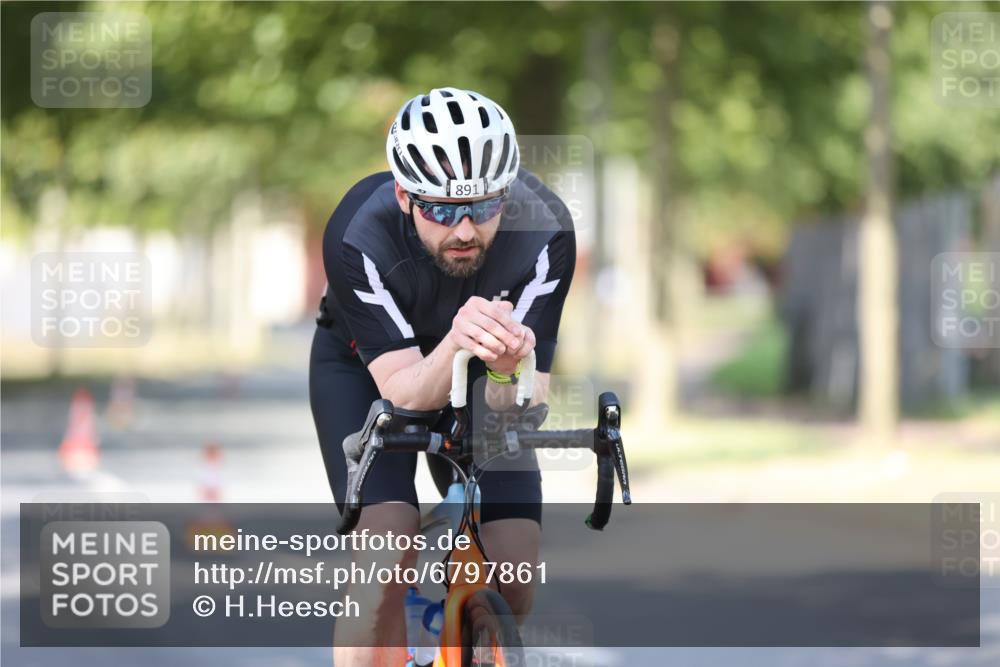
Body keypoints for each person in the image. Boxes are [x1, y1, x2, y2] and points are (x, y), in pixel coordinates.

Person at [309, 86, 576, 666]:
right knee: (387, 540)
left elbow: (526, 406)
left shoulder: (547, 233)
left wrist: (507, 374)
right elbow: (404, 392)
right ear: (404, 195)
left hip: (478, 374)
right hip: (368, 370)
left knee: (515, 572)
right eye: (440, 209)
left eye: (483, 207)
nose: (463, 230)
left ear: (506, 194)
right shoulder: (358, 232)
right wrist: (457, 340)